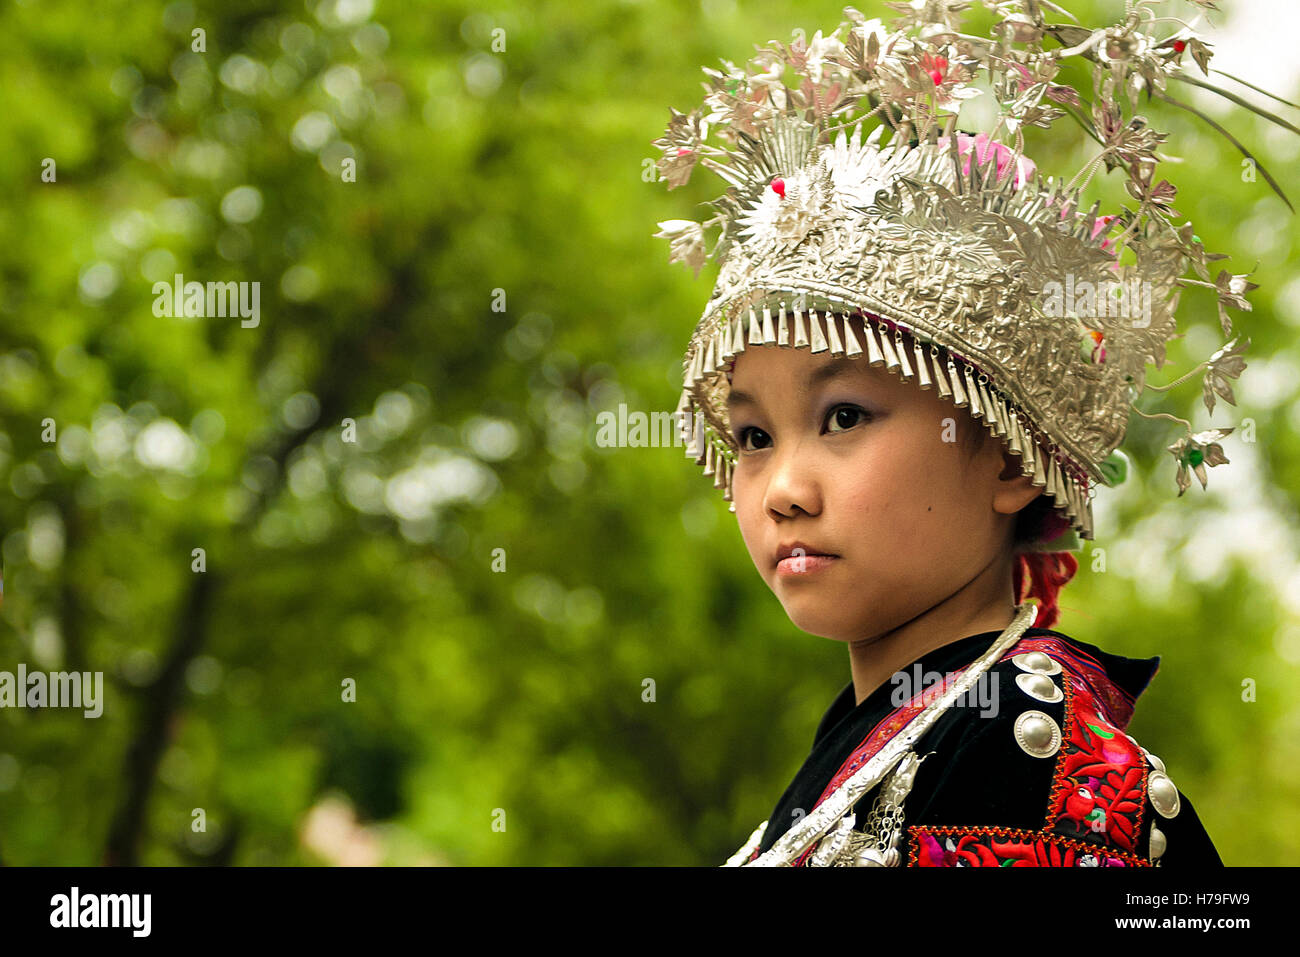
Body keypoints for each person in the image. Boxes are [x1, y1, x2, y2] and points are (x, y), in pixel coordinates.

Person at [651, 3, 1292, 867]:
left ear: (1006, 453)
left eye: (843, 417)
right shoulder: (884, 739)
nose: (782, 489)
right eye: (753, 435)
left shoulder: (1033, 767)